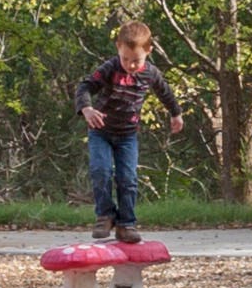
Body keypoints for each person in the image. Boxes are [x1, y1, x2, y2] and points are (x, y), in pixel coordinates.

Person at [75, 21, 181, 244]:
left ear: (148, 51)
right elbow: (85, 86)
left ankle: (126, 224)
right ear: (118, 48)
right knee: (100, 171)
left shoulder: (151, 73)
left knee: (128, 178)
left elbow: (165, 92)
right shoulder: (110, 68)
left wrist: (176, 113)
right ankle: (105, 215)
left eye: (136, 61)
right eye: (126, 59)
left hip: (127, 135)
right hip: (100, 131)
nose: (130, 65)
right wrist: (86, 108)